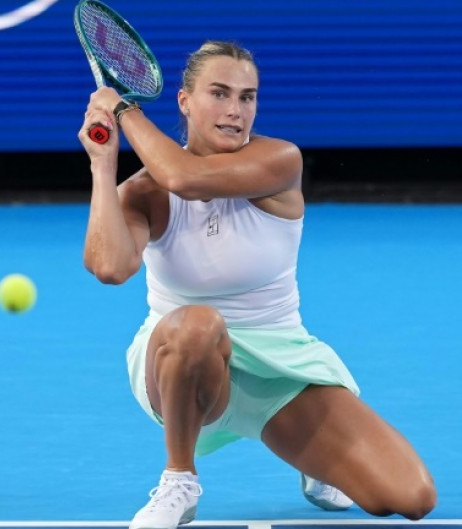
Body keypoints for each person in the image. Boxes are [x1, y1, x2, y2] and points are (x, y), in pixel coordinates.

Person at [78, 41, 436, 529]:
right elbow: (109, 267)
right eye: (220, 94)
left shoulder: (279, 161)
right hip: (182, 368)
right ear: (184, 101)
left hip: (279, 368)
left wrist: (122, 110)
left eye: (247, 97)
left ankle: (313, 461)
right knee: (197, 324)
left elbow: (186, 177)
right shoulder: (145, 192)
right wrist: (103, 166)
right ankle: (179, 479)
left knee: (411, 497)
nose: (235, 111)